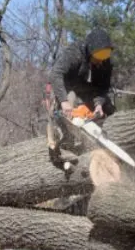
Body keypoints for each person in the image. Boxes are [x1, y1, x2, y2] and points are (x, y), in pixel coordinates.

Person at [47, 28, 116, 165]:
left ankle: (97, 131)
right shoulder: (74, 53)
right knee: (66, 112)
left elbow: (102, 87)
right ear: (90, 51)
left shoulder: (104, 60)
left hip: (81, 84)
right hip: (64, 85)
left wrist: (99, 104)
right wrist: (64, 101)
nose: (100, 62)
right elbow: (55, 74)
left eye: (103, 59)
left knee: (108, 106)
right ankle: (62, 144)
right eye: (97, 58)